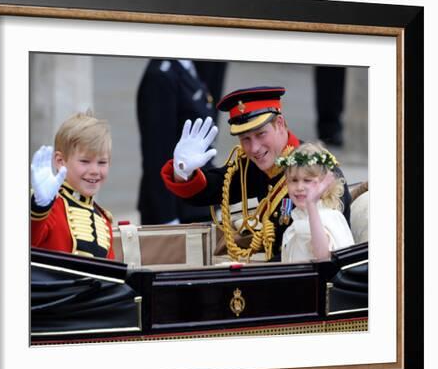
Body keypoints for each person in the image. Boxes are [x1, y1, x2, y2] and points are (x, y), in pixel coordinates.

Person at [161, 86, 352, 262]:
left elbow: (324, 254)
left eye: (261, 134)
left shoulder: (318, 171)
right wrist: (183, 170)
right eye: (245, 139)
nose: (254, 148)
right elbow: (213, 189)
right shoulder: (254, 165)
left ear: (280, 123)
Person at [136, 59, 218, 225]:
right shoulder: (160, 76)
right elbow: (157, 151)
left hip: (199, 202)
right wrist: (167, 219)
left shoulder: (188, 65)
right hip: (179, 210)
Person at [30, 112, 115, 259]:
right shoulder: (50, 207)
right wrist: (39, 207)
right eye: (85, 161)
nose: (95, 171)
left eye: (102, 162)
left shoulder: (104, 220)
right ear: (60, 161)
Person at [275, 142, 354, 263]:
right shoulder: (298, 216)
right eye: (294, 180)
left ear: (324, 184)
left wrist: (311, 204)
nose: (300, 187)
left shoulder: (329, 217)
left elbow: (323, 257)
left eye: (307, 180)